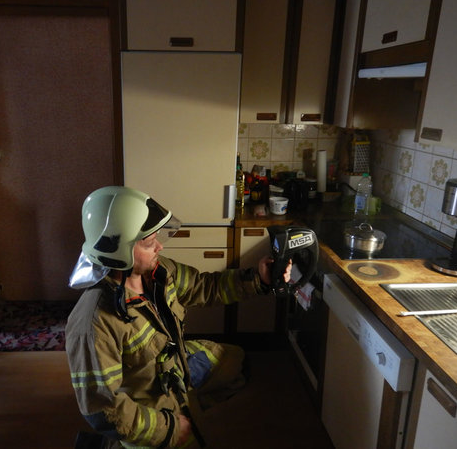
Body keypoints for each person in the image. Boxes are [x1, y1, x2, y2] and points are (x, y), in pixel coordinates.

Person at [66, 186, 292, 448]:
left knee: (235, 364)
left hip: (174, 367)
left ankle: (185, 408)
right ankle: (119, 442)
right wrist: (169, 429)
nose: (159, 246)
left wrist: (259, 279)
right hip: (146, 403)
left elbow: (204, 287)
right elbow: (105, 409)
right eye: (149, 243)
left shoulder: (159, 271)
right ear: (117, 251)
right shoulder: (93, 324)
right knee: (180, 437)